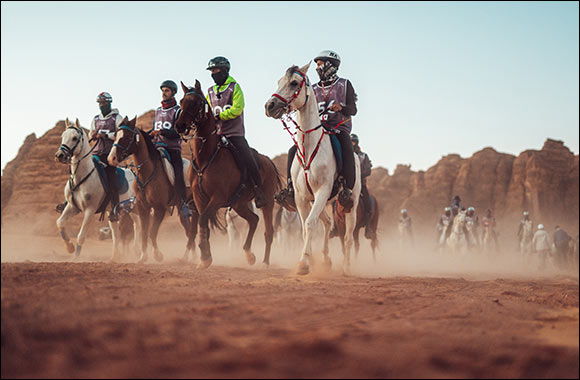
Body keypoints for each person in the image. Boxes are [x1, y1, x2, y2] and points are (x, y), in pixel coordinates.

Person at [277, 50, 358, 209]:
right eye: (317, 65)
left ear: (331, 66)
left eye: (320, 64)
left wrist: (341, 107)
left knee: (346, 146)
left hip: (338, 126)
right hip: (318, 127)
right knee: (294, 149)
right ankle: (290, 188)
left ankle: (346, 188)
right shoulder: (312, 87)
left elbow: (353, 109)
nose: (317, 68)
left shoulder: (345, 84)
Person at [205, 56, 266, 208]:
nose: (213, 74)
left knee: (247, 156)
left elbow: (237, 109)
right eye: (211, 71)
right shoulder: (210, 91)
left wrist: (219, 116)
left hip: (234, 134)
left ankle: (258, 191)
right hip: (216, 135)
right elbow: (206, 111)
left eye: (215, 70)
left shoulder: (234, 87)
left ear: (224, 71)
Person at [149, 80, 191, 218]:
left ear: (173, 92)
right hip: (157, 147)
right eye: (162, 90)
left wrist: (162, 132)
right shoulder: (158, 111)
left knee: (178, 173)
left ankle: (183, 203)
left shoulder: (178, 111)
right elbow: (154, 129)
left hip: (173, 149)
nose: (163, 93)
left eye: (166, 91)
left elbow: (179, 132)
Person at [351, 133, 373, 237]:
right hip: (348, 184)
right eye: (350, 142)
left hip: (361, 184)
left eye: (353, 142)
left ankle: (368, 227)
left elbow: (368, 170)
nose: (351, 144)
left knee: (367, 203)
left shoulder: (363, 156)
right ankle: (335, 228)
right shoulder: (346, 154)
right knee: (335, 203)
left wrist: (358, 176)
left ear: (356, 143)